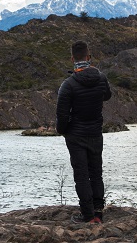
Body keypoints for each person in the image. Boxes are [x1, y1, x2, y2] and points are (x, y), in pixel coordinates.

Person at [56, 40, 112, 223]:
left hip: (76, 135)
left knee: (81, 176)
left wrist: (63, 131)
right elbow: (107, 95)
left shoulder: (68, 85)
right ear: (89, 56)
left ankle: (87, 215)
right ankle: (98, 212)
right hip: (96, 132)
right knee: (96, 173)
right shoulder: (101, 78)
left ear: (72, 58)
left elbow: (62, 116)